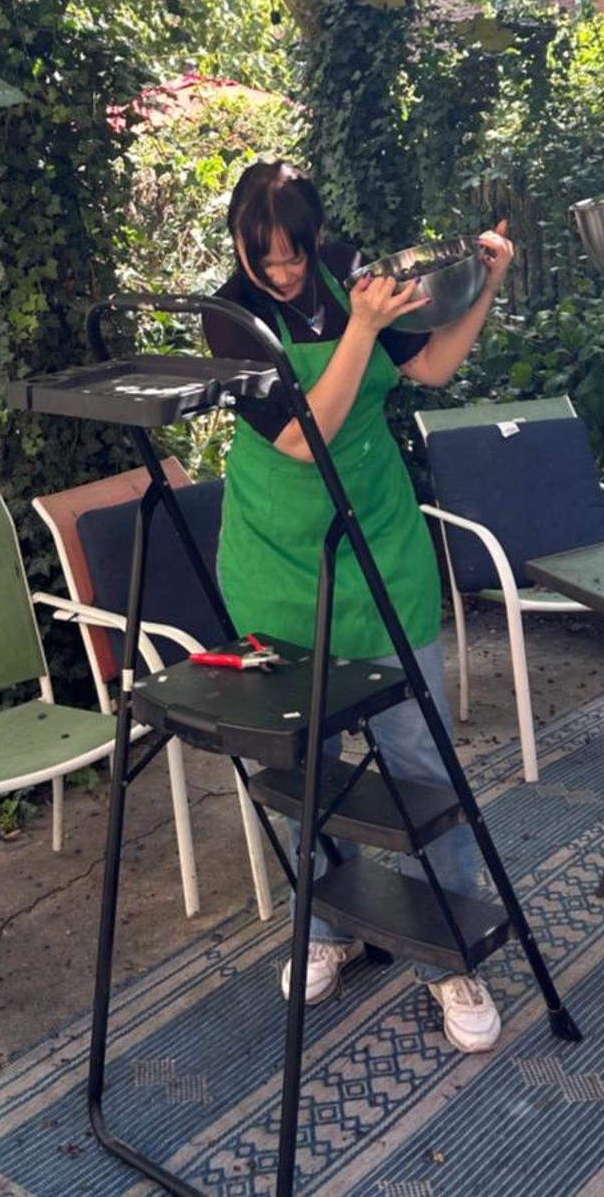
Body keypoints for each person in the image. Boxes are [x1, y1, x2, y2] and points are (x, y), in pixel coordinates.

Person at [201, 161, 514, 1050]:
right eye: (267, 257)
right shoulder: (230, 317)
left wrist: (483, 285)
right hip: (278, 562)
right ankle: (328, 927)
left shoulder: (351, 276)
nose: (287, 272)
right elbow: (305, 435)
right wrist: (361, 329)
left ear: (315, 239)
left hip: (380, 546)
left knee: (421, 758)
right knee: (309, 767)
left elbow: (436, 367)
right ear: (239, 245)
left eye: (296, 255)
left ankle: (452, 952)